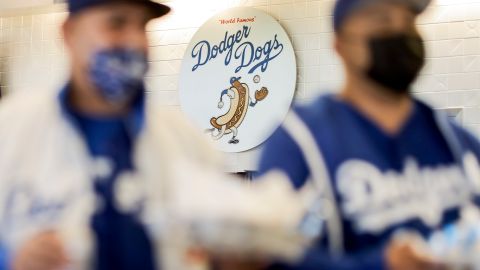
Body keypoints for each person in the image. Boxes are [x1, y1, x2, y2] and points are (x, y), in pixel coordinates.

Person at [256, 0, 480, 269]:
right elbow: (265, 257)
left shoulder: (454, 141)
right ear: (340, 45)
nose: (399, 33)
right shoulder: (301, 140)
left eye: (408, 22)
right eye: (382, 22)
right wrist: (379, 264)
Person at [0, 0, 221, 269]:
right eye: (116, 24)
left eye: (142, 26)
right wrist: (10, 260)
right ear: (68, 33)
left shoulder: (185, 138)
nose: (136, 42)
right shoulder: (11, 130)